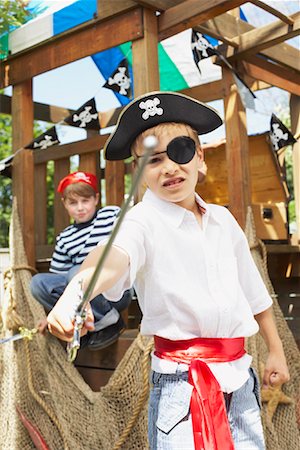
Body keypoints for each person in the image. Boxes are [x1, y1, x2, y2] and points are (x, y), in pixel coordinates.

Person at [47, 92, 290, 449]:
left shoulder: (223, 221)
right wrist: (75, 292)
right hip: (180, 386)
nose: (170, 168)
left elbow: (253, 292)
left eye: (180, 152)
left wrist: (276, 349)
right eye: (154, 160)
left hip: (241, 379)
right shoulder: (141, 221)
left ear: (200, 158)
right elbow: (112, 256)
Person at [30, 171, 132, 350]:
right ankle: (84, 323)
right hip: (82, 296)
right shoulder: (65, 237)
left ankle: (109, 320)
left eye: (85, 201)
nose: (80, 207)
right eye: (73, 202)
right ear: (64, 204)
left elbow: (126, 246)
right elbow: (59, 280)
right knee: (38, 283)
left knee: (78, 271)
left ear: (96, 199)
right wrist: (51, 315)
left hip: (114, 292)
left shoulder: (110, 215)